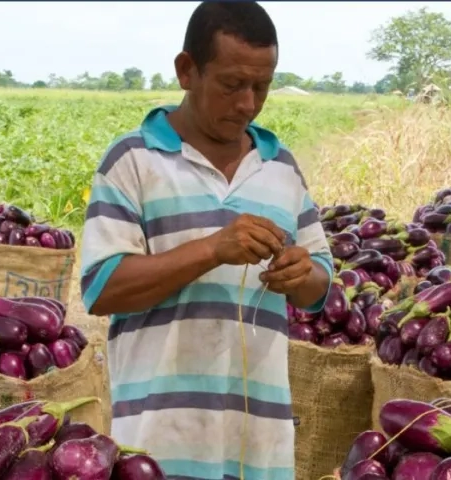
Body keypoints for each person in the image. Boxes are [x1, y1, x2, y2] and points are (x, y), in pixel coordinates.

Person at [79, 2, 333, 479]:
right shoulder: (132, 161)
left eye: (262, 86)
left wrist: (303, 275)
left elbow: (320, 285)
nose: (248, 104)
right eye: (232, 84)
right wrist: (213, 249)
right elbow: (102, 288)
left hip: (260, 447)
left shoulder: (282, 168)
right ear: (186, 70)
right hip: (158, 447)